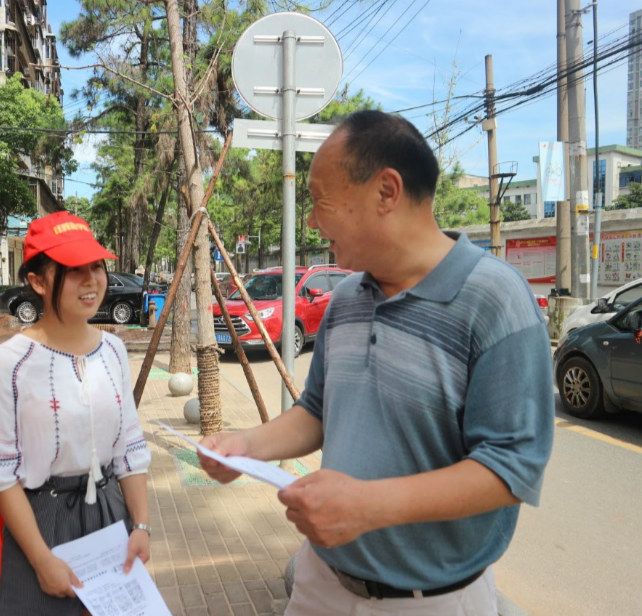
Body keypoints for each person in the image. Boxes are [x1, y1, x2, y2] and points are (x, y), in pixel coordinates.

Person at [199, 110, 554, 616]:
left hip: (431, 603)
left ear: (387, 191)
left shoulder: (496, 300)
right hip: (319, 581)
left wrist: (369, 506)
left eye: (320, 199)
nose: (312, 221)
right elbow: (317, 411)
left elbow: (511, 467)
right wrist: (245, 446)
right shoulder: (345, 299)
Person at [0, 211, 151, 615]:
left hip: (110, 516)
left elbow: (129, 447)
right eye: (74, 270)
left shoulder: (113, 351)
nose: (91, 281)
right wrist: (41, 560)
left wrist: (141, 525)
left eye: (96, 266)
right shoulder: (8, 363)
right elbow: (0, 474)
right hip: (40, 524)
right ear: (37, 282)